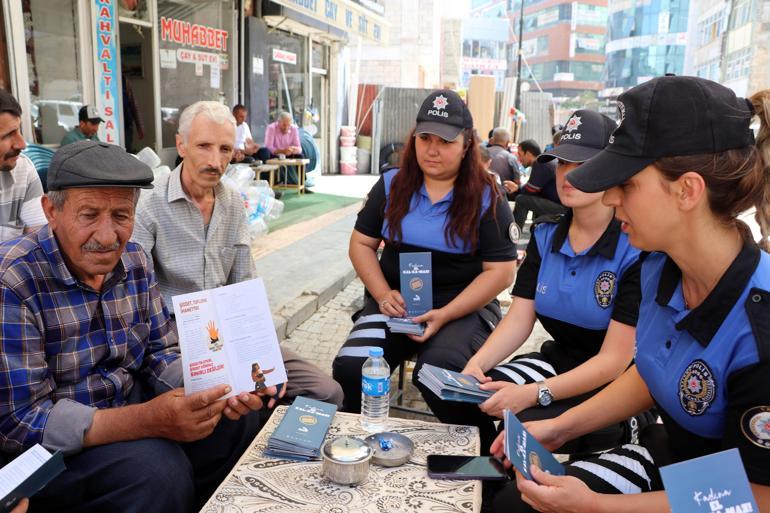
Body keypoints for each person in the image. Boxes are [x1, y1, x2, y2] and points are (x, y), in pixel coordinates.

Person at [491, 76, 770, 513]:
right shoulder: (660, 264)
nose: (612, 197)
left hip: (728, 489)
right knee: (515, 500)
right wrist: (560, 429)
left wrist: (596, 506)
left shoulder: (761, 330)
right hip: (672, 458)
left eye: (628, 183)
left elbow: (756, 496)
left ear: (688, 191)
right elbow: (652, 370)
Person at [0, 140, 269, 513]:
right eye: (89, 215)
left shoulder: (136, 259)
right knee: (157, 470)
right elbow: (22, 421)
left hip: (126, 412)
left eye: (122, 216)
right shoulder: (14, 280)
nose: (109, 237)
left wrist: (218, 387)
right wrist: (148, 420)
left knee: (233, 421)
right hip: (46, 456)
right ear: (51, 211)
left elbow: (160, 352)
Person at [455, 110, 645, 451]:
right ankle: (491, 474)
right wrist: (476, 365)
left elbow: (613, 361)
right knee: (471, 394)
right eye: (562, 164)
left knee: (525, 425)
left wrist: (531, 394)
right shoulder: (546, 234)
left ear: (613, 169)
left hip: (619, 382)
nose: (568, 175)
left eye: (582, 163)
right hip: (557, 360)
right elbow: (519, 318)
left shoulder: (635, 247)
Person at [132, 101, 343, 408]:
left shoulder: (231, 201)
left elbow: (244, 284)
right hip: (175, 339)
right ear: (181, 144)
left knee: (325, 393)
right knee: (234, 399)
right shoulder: (150, 204)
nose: (215, 161)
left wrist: (261, 350)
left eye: (225, 150)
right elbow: (137, 300)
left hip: (231, 331)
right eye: (204, 146)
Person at [332, 89, 517, 426]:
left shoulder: (487, 195)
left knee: (439, 376)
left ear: (466, 144)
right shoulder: (391, 183)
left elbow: (502, 273)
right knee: (350, 365)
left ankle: (484, 462)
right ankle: (359, 444)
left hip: (461, 309)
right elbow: (360, 244)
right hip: (396, 307)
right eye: (425, 138)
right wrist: (382, 294)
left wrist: (445, 314)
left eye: (445, 141)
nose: (432, 149)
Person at [0, 90, 46, 241]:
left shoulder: (22, 169)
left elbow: (40, 239)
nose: (21, 144)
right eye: (7, 135)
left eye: (18, 130)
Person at [512, 139, 566, 232]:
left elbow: (530, 190)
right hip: (559, 205)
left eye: (520, 155)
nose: (519, 160)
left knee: (521, 200)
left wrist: (516, 188)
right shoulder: (543, 162)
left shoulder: (540, 162)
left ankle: (513, 234)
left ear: (528, 153)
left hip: (561, 208)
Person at [487, 127, 521, 199]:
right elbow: (517, 182)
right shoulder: (511, 157)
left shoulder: (480, 153)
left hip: (481, 193)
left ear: (492, 140)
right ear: (508, 143)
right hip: (504, 196)